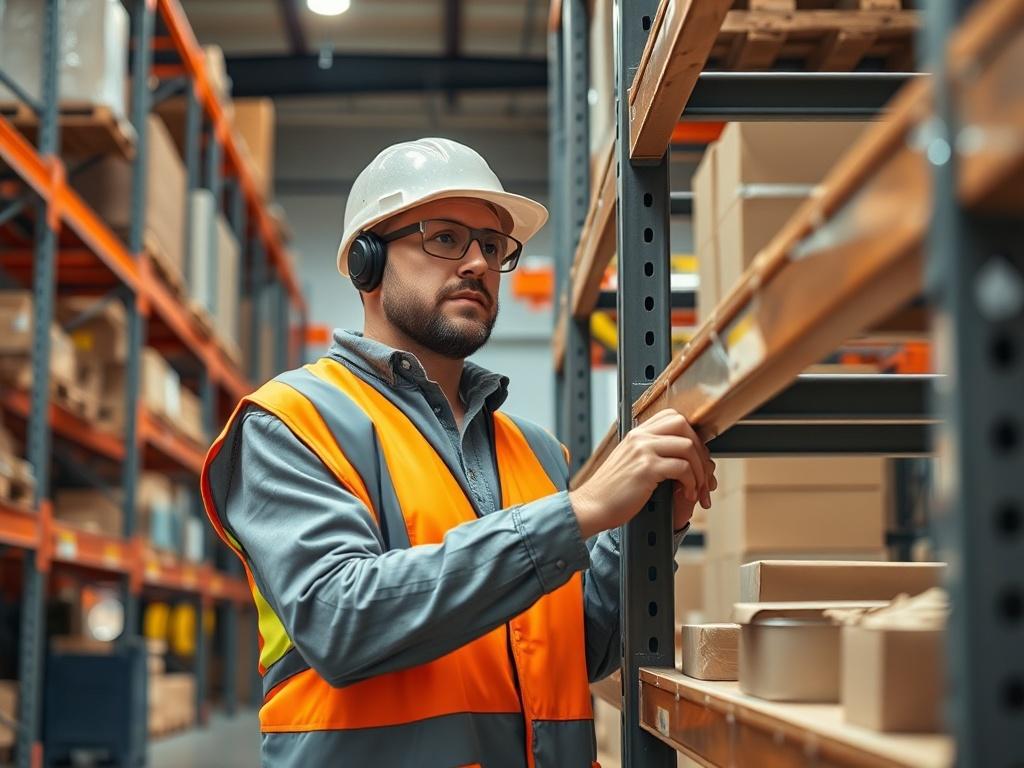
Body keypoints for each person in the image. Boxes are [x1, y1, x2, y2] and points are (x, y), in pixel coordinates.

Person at [200, 138, 716, 768]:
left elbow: (579, 648)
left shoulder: (535, 452)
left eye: (492, 247)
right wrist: (578, 514)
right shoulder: (293, 422)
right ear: (365, 263)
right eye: (444, 238)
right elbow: (341, 622)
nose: (476, 263)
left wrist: (649, 521)